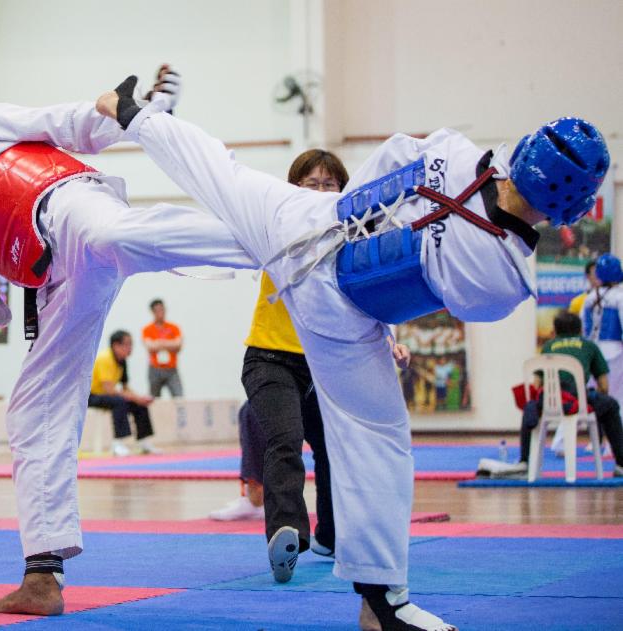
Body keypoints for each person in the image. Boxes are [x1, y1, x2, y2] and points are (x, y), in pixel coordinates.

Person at [97, 79, 609, 631]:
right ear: (570, 209)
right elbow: (458, 301)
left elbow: (395, 150)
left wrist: (342, 213)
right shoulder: (502, 274)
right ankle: (382, 602)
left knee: (223, 175)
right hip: (336, 305)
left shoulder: (455, 151)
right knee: (378, 437)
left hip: (307, 218)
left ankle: (129, 122)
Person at [0, 67, 254, 616]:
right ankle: (42, 576)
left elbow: (62, 123)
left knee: (114, 235)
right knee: (30, 411)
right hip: (55, 278)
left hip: (69, 205)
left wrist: (139, 116)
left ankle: (284, 231)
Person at [208, 149, 410, 587]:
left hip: (326, 364)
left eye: (329, 184)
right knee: (285, 441)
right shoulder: (274, 226)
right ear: (292, 188)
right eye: (310, 183)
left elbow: (369, 298)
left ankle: (330, 537)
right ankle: (287, 535)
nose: (319, 192)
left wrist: (391, 338)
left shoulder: (353, 238)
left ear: (343, 190)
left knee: (335, 451)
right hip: (269, 358)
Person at [513, 311, 623, 477]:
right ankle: (621, 464)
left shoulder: (548, 347)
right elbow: (604, 386)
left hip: (548, 403)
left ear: (555, 331)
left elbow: (535, 386)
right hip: (577, 402)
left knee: (530, 407)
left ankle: (525, 462)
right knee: (611, 405)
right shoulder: (589, 346)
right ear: (580, 330)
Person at [88, 330, 157, 456]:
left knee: (140, 405)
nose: (130, 348)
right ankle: (117, 443)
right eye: (127, 344)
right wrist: (135, 398)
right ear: (115, 345)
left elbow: (125, 387)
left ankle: (143, 442)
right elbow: (109, 389)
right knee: (119, 402)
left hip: (108, 396)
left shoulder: (122, 361)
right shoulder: (105, 358)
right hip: (92, 396)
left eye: (131, 344)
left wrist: (139, 398)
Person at [583, 253, 623, 403]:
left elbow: (583, 328)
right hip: (615, 352)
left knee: (594, 396)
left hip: (592, 353)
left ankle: (596, 426)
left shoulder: (589, 297)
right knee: (616, 395)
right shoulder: (620, 296)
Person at [141, 298, 183, 397]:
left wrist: (159, 343)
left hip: (171, 368)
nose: (160, 312)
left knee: (178, 396)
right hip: (155, 368)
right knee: (154, 398)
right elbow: (150, 346)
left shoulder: (174, 327)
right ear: (152, 312)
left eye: (162, 309)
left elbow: (178, 344)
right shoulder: (147, 329)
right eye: (157, 310)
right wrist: (169, 344)